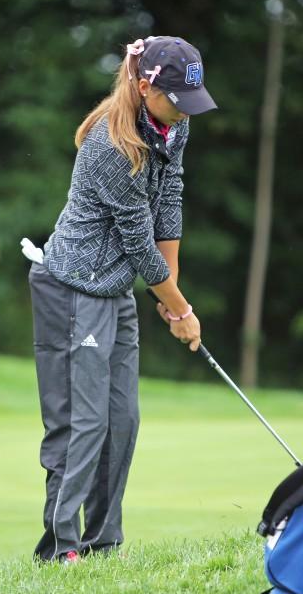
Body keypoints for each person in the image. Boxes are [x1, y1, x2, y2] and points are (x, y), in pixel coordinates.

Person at [27, 35, 217, 563]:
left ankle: (103, 544)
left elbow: (170, 201)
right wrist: (180, 309)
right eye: (174, 100)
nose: (182, 113)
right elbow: (138, 245)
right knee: (81, 423)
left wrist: (170, 294)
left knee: (122, 419)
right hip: (70, 289)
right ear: (143, 86)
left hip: (117, 289)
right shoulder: (112, 145)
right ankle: (61, 549)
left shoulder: (171, 126)